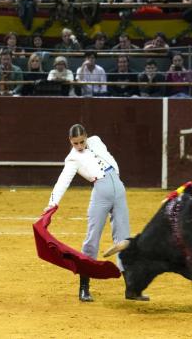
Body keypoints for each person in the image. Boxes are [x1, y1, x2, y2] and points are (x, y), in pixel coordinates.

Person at [46, 124, 139, 303]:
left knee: (123, 238)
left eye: (82, 142)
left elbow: (110, 157)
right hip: (101, 191)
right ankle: (84, 288)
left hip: (118, 188)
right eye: (76, 143)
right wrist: (52, 204)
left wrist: (117, 177)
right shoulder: (72, 158)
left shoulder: (96, 141)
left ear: (86, 137)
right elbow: (63, 181)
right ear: (70, 142)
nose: (80, 146)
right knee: (92, 238)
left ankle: (131, 288)